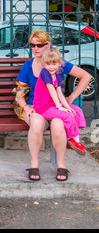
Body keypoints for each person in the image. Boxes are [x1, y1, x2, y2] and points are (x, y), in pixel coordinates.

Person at [15, 29, 91, 182]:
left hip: (55, 108)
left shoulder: (57, 63)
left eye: (39, 45)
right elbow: (19, 94)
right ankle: (34, 165)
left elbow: (86, 76)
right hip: (36, 108)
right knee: (36, 123)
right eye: (32, 45)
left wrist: (71, 97)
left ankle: (61, 165)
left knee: (57, 124)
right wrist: (27, 108)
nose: (35, 48)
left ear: (48, 45)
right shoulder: (28, 66)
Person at [33, 46, 86, 156]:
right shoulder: (45, 73)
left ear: (59, 64)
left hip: (52, 105)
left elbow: (59, 92)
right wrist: (59, 106)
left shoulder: (56, 75)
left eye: (54, 64)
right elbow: (51, 89)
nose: (51, 67)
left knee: (76, 110)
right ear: (43, 64)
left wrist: (66, 106)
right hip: (43, 108)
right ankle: (72, 140)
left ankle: (73, 140)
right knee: (67, 116)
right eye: (48, 64)